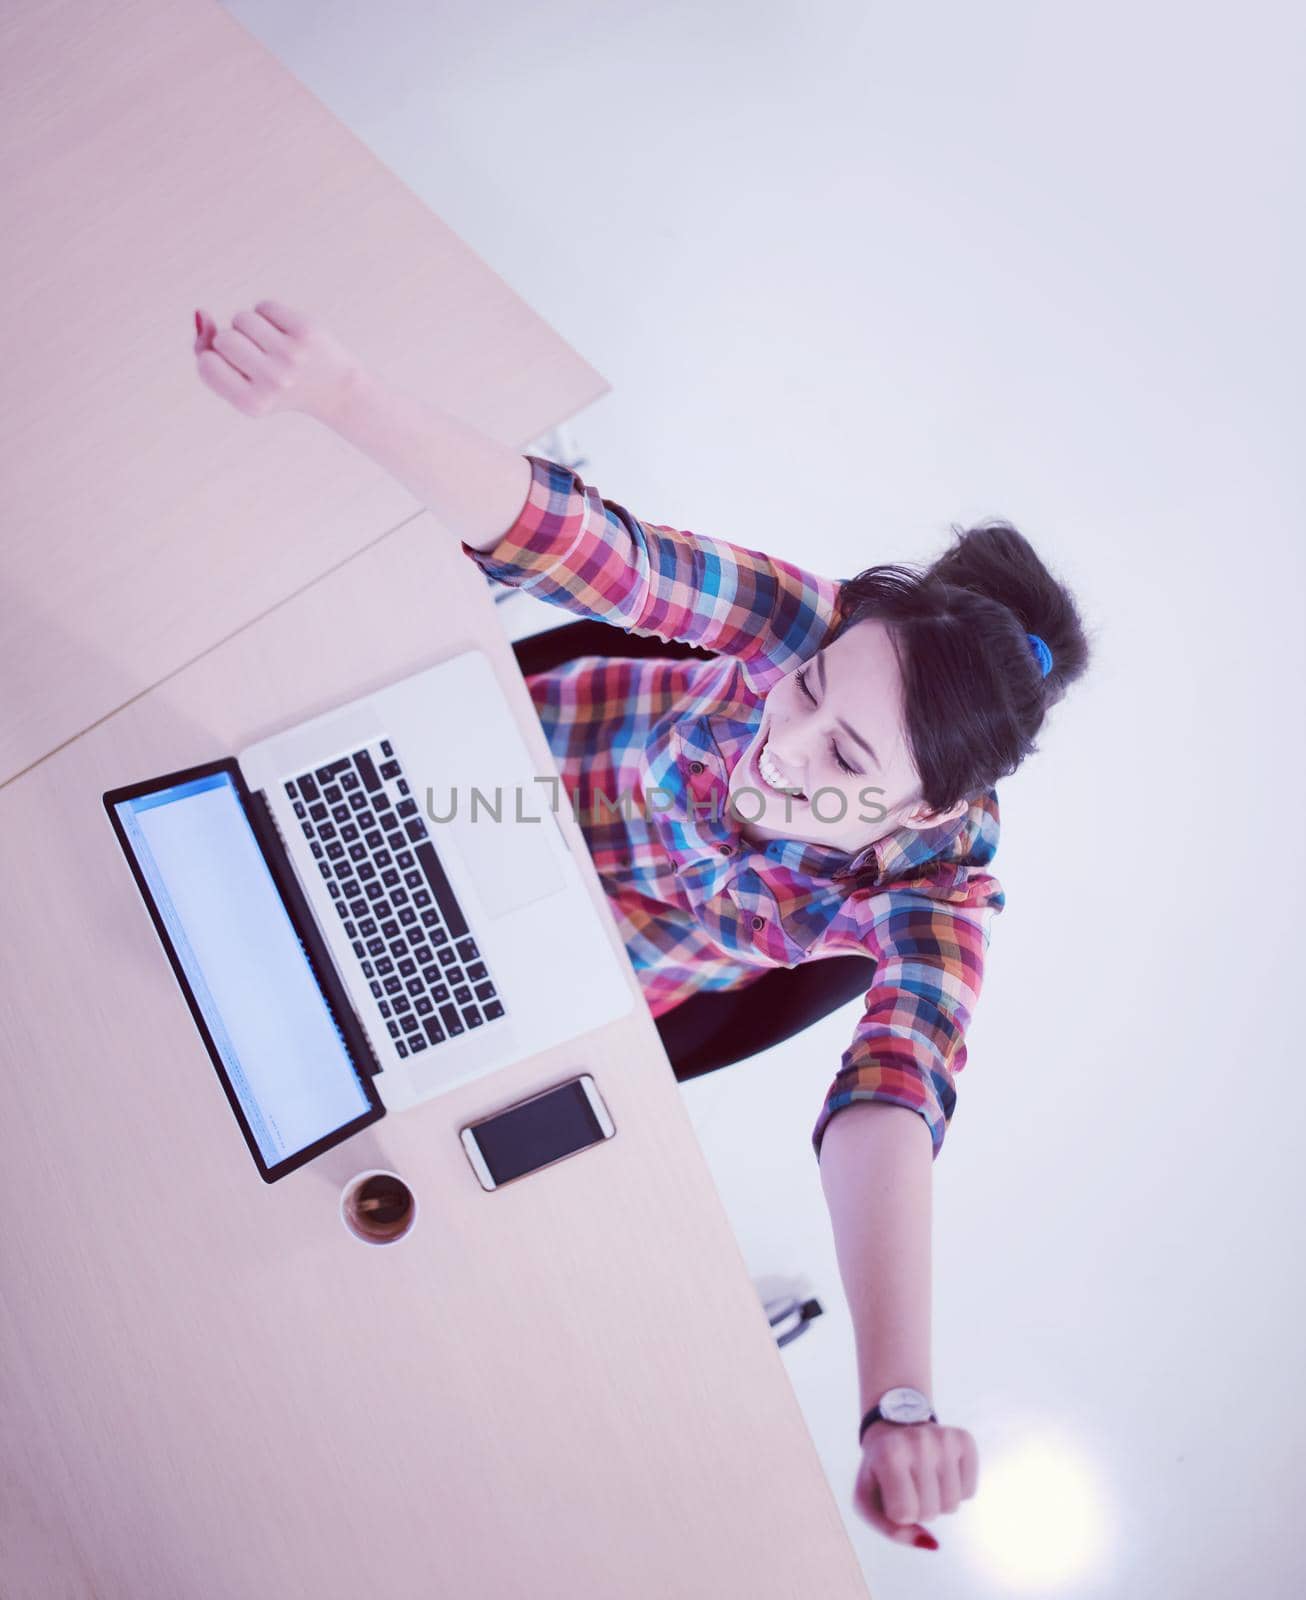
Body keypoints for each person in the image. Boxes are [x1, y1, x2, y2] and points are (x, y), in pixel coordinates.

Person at [193, 298, 1093, 1553]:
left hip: (550, 969)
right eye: (806, 692)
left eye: (839, 754)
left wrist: (896, 1399)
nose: (782, 743)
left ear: (923, 807)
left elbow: (895, 1088)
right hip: (477, 769)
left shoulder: (940, 892)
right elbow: (590, 548)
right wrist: (341, 392)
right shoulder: (806, 619)